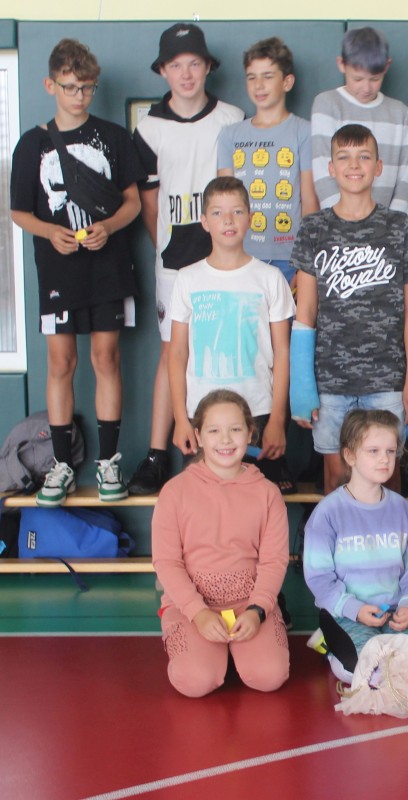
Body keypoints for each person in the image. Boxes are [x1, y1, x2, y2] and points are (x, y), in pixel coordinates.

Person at [10, 38, 144, 505]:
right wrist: (50, 232)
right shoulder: (32, 144)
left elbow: (133, 202)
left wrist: (108, 227)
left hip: (108, 266)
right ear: (50, 85)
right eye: (70, 87)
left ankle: (108, 463)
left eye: (87, 88)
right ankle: (61, 465)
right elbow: (18, 212)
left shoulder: (114, 137)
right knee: (60, 363)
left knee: (106, 359)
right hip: (58, 271)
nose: (79, 96)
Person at [129, 23, 244, 495]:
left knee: (227, 349)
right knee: (171, 352)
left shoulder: (231, 118)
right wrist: (167, 246)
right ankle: (158, 454)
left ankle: (236, 452)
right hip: (175, 258)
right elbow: (150, 203)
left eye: (194, 63)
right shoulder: (149, 129)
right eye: (176, 65)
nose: (186, 73)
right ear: (163, 71)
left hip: (227, 253)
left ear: (208, 66)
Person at [292, 124, 408, 493]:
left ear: (378, 167)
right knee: (337, 479)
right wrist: (302, 386)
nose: (354, 165)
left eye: (364, 157)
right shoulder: (314, 228)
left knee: (387, 476)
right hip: (331, 380)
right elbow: (306, 312)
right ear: (330, 168)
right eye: (344, 157)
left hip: (388, 378)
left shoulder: (400, 228)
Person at [151, 389, 290, 698]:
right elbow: (166, 562)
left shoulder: (268, 493)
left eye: (235, 429)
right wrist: (198, 613)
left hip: (248, 603)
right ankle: (204, 653)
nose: (225, 439)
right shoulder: (175, 492)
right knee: (195, 681)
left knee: (270, 676)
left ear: (250, 434)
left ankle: (243, 649)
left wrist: (257, 610)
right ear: (198, 436)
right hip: (191, 606)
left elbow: (274, 561)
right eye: (214, 430)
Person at [168, 177, 295, 491]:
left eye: (237, 212)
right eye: (217, 213)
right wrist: (180, 418)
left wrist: (278, 420)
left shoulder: (270, 278)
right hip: (201, 415)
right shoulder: (187, 279)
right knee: (203, 501)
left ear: (250, 218)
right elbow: (177, 353)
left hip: (259, 412)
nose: (228, 220)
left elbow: (283, 353)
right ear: (204, 222)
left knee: (258, 499)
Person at [303, 409, 408, 682]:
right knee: (372, 674)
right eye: (373, 451)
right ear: (350, 455)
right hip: (345, 615)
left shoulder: (405, 511)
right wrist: (355, 609)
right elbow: (319, 578)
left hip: (395, 613)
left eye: (390, 451)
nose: (384, 459)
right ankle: (330, 644)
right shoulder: (328, 513)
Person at [217, 37, 317, 287]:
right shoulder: (230, 135)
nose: (259, 85)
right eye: (252, 77)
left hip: (289, 258)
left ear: (287, 82)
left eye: (268, 76)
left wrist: (305, 261)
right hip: (242, 256)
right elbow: (223, 201)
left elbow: (309, 201)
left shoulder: (304, 131)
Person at [310, 27, 408, 215]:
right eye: (357, 79)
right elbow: (324, 175)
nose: (366, 88)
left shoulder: (400, 113)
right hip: (338, 223)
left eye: (374, 79)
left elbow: (405, 179)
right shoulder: (327, 105)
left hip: (388, 226)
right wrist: (342, 221)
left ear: (386, 67)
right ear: (341, 64)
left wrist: (394, 223)